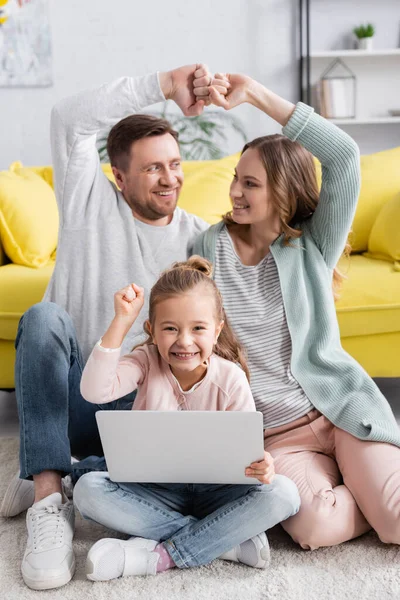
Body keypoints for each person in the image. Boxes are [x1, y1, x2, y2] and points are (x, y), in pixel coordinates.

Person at [0, 64, 231, 591]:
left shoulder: (200, 240)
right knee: (41, 318)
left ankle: (47, 466)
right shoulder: (88, 204)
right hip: (77, 395)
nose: (170, 178)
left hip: (141, 407)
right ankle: (47, 504)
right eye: (152, 169)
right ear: (119, 177)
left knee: (164, 456)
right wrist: (166, 84)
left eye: (175, 164)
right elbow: (67, 118)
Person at [192, 73, 400, 552]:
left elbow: (344, 157)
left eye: (251, 183)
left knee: (394, 524)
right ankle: (368, 487)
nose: (236, 193)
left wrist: (257, 96)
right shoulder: (208, 248)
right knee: (315, 530)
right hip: (278, 437)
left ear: (283, 192)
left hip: (341, 410)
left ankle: (370, 486)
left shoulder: (311, 243)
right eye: (235, 180)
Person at [73, 256, 300, 580]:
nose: (184, 341)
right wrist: (122, 321)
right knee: (87, 489)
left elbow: (251, 458)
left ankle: (162, 555)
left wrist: (263, 465)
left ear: (217, 330)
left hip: (218, 494)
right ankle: (221, 540)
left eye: (198, 329)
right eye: (170, 329)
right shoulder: (147, 361)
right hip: (155, 490)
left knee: (284, 494)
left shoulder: (231, 379)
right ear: (151, 330)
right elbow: (94, 391)